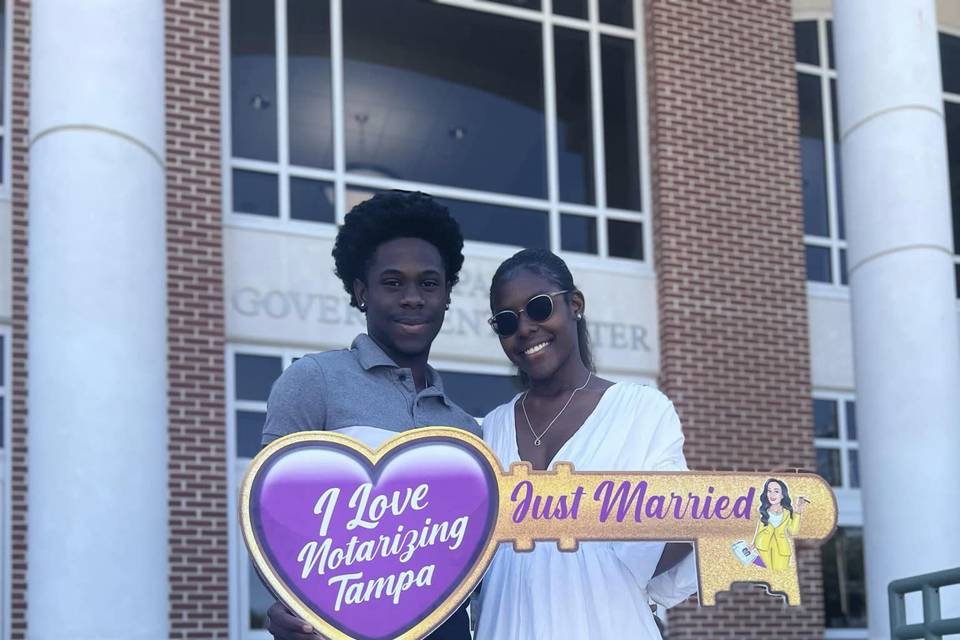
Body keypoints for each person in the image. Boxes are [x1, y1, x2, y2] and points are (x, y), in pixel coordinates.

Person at [259, 191, 479, 640]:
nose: (413, 298)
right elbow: (271, 520)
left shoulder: (466, 429)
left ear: (447, 295)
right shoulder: (313, 381)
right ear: (362, 292)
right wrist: (286, 605)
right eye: (393, 282)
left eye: (429, 283)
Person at [475, 249, 698, 640]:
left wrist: (742, 518)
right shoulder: (489, 430)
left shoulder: (641, 411)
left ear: (574, 304)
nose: (525, 328)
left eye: (539, 308)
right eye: (507, 321)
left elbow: (670, 538)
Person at [750, 478, 807, 571]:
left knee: (780, 575)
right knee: (765, 574)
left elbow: (793, 531)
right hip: (762, 547)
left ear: (782, 495)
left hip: (782, 549)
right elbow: (759, 529)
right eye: (769, 491)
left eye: (776, 491)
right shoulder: (764, 511)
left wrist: (798, 511)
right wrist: (753, 544)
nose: (772, 495)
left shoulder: (787, 513)